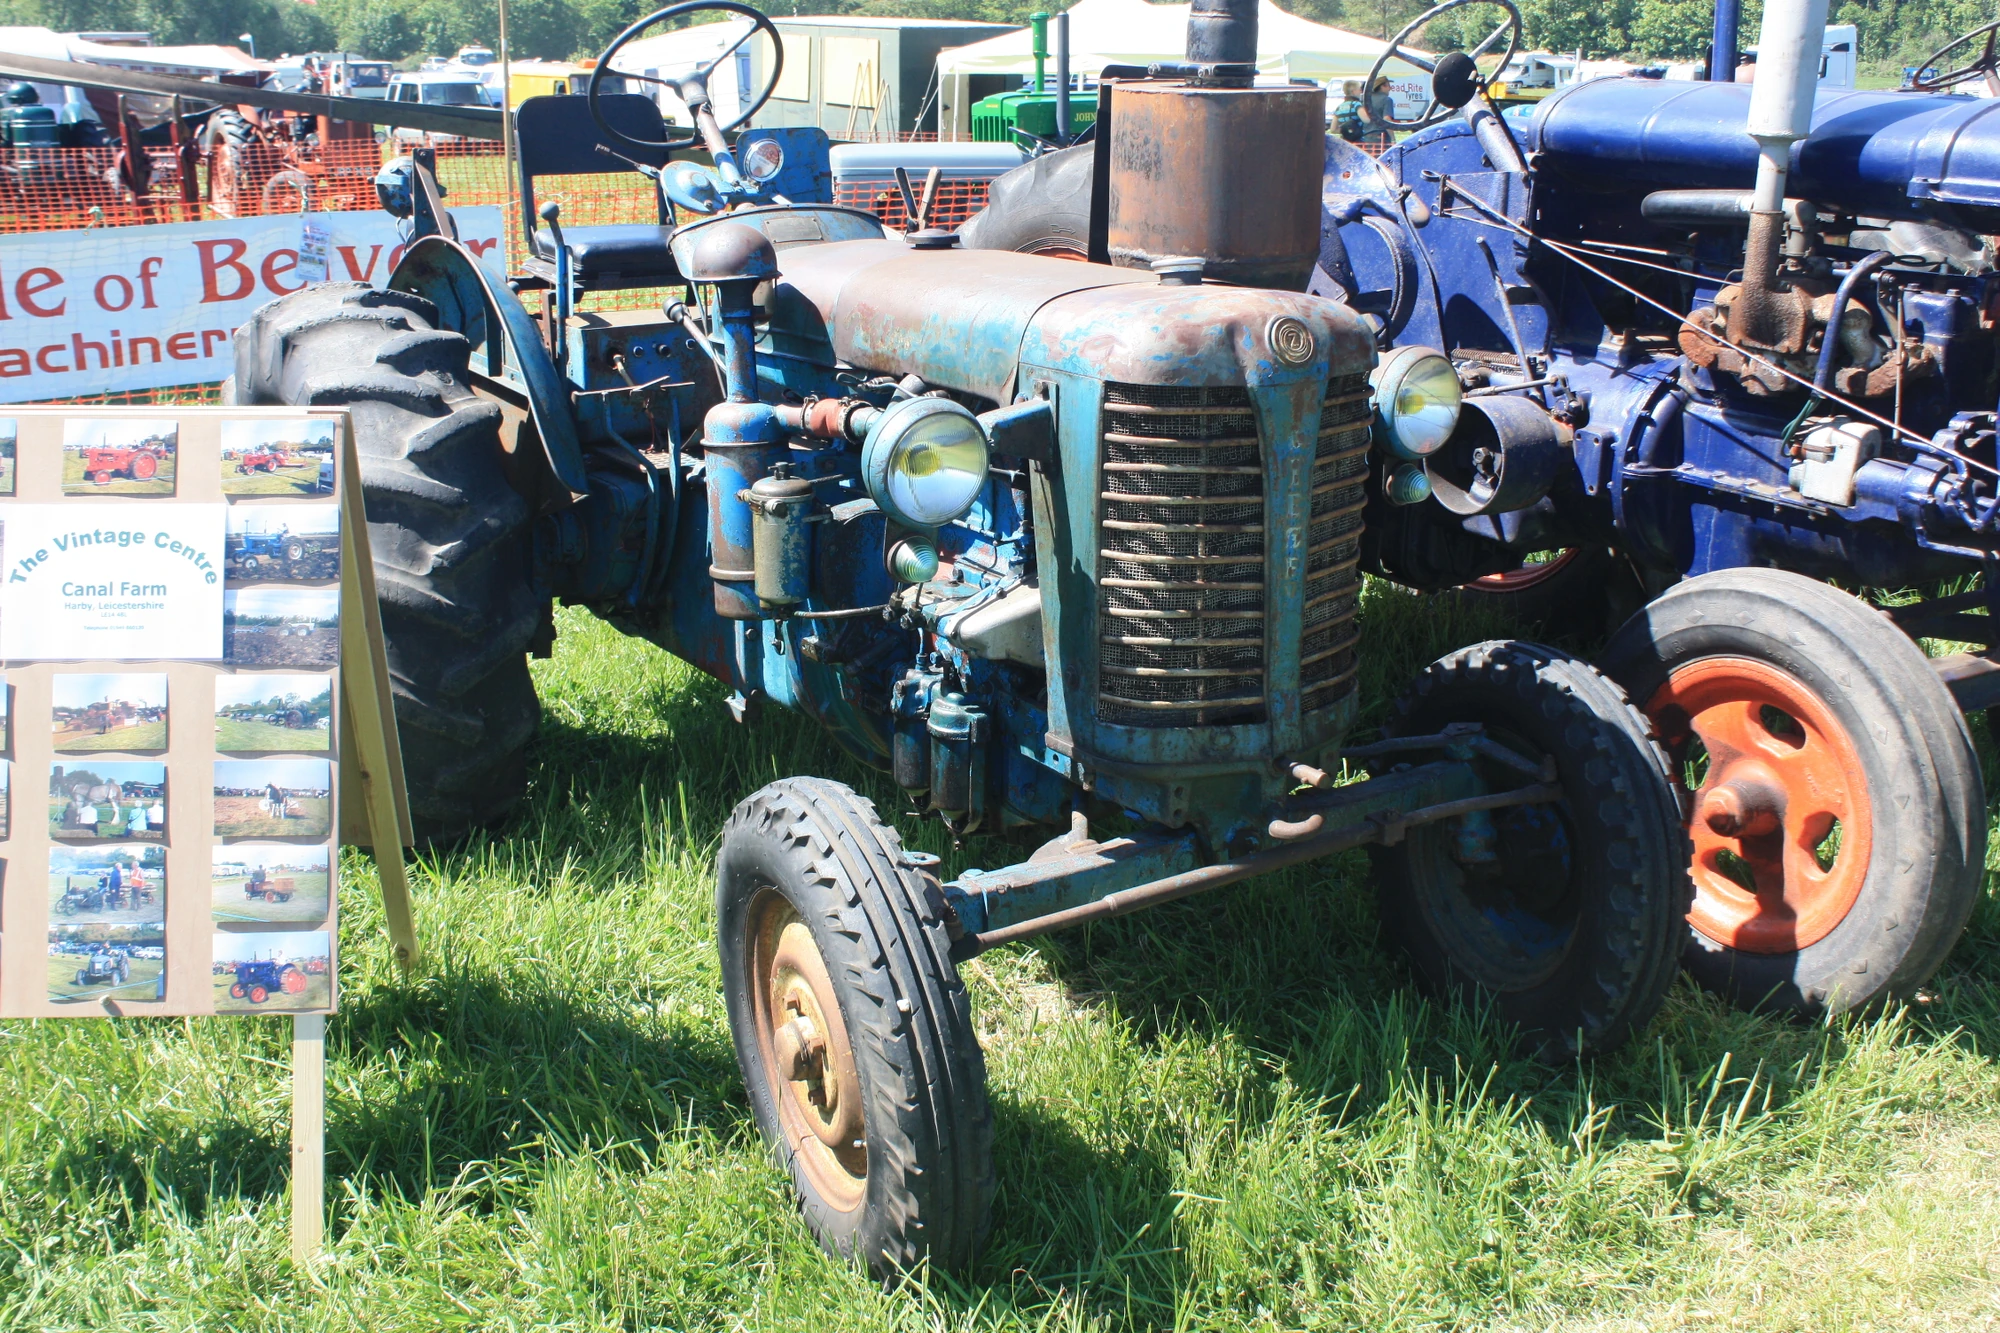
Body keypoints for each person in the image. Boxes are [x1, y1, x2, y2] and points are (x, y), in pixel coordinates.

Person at [1360, 74, 1397, 150]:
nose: (1390, 88)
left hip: (1366, 137)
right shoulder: (1387, 100)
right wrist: (1393, 138)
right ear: (1382, 86)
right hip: (1381, 138)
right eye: (1388, 86)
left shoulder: (1365, 100)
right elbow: (1387, 119)